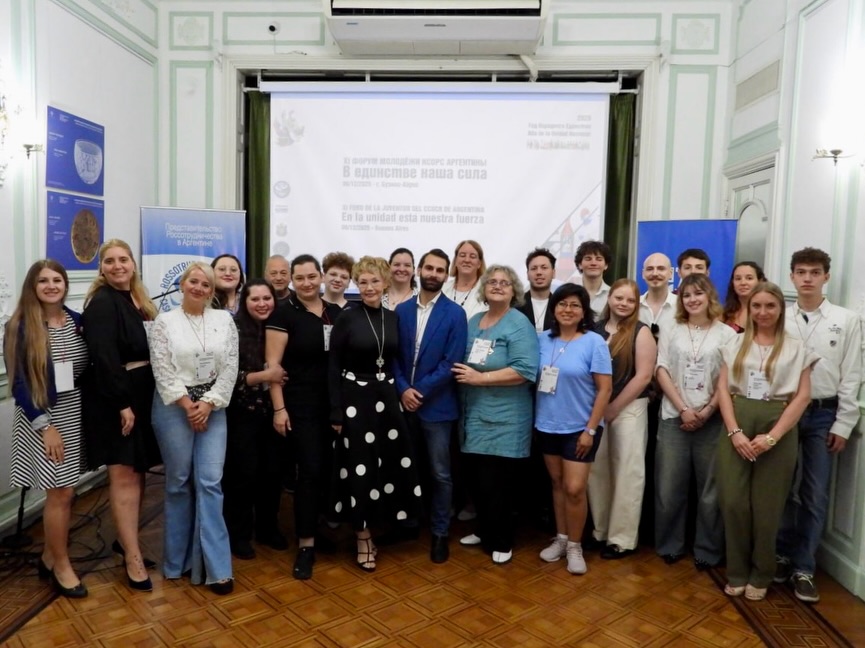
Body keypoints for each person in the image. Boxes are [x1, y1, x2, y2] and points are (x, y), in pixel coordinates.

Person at [716, 281, 817, 602]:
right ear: (749, 309)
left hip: (779, 425)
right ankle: (737, 571)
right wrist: (734, 431)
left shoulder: (795, 347)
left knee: (767, 507)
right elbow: (722, 390)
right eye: (756, 306)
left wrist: (773, 436)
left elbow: (802, 396)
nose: (762, 312)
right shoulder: (733, 343)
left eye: (770, 306)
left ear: (780, 309)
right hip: (738, 420)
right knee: (733, 502)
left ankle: (761, 573)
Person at [775, 248, 862, 603]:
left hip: (823, 414)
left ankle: (804, 567)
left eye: (814, 272)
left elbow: (852, 373)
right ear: (792, 277)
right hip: (782, 413)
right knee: (780, 487)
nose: (807, 278)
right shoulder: (780, 317)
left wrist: (843, 423)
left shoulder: (847, 319)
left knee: (814, 492)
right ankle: (779, 554)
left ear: (826, 276)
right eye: (800, 272)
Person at [328, 256, 422, 572]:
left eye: (374, 281)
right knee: (360, 469)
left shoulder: (393, 318)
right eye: (363, 281)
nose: (368, 287)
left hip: (386, 398)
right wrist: (336, 410)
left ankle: (384, 524)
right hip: (354, 400)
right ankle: (362, 536)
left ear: (385, 283)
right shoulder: (346, 316)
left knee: (387, 466)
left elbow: (395, 359)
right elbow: (333, 365)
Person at [149, 262, 239, 595]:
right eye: (194, 282)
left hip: (213, 407)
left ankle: (216, 568)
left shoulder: (224, 320)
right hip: (174, 407)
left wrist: (209, 404)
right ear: (182, 285)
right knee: (179, 482)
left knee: (211, 482)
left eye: (206, 284)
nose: (199, 288)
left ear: (212, 291)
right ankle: (178, 562)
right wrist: (189, 405)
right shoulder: (164, 322)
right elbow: (163, 370)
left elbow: (230, 366)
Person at [5, 260, 89, 598]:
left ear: (66, 285)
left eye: (58, 279)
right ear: (32, 286)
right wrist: (46, 427)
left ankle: (47, 556)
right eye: (43, 280)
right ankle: (62, 565)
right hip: (42, 418)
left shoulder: (77, 322)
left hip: (73, 412)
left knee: (66, 490)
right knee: (61, 492)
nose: (52, 285)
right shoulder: (20, 326)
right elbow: (19, 383)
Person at [82, 240, 160, 592]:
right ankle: (132, 558)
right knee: (125, 476)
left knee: (137, 472)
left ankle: (127, 541)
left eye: (123, 259)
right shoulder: (101, 304)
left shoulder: (139, 300)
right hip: (120, 400)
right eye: (109, 261)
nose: (117, 266)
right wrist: (121, 404)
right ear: (101, 268)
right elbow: (104, 357)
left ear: (133, 264)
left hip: (143, 395)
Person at [453, 265, 539, 565]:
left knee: (498, 483)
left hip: (506, 418)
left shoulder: (519, 323)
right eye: (492, 282)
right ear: (484, 289)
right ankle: (484, 528)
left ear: (514, 290)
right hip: (473, 415)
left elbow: (526, 370)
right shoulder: (475, 321)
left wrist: (481, 379)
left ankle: (501, 538)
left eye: (505, 283)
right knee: (476, 479)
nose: (498, 286)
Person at [267, 255, 342, 579]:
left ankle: (320, 529)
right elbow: (273, 368)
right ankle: (306, 544)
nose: (308, 283)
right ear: (293, 281)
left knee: (328, 472)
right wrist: (279, 409)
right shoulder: (284, 314)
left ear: (322, 276)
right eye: (301, 278)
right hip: (301, 407)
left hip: (335, 407)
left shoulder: (336, 313)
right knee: (309, 472)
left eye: (313, 276)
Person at [654, 274, 736, 568]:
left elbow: (728, 380)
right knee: (668, 487)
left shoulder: (727, 334)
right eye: (687, 295)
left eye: (698, 294)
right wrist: (684, 409)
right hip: (674, 416)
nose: (692, 300)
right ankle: (670, 545)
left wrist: (707, 411)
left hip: (711, 420)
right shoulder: (670, 327)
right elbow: (660, 368)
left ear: (710, 296)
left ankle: (707, 550)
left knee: (710, 491)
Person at [393, 248, 468, 563]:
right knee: (404, 467)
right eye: (429, 268)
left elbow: (452, 362)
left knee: (440, 474)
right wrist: (402, 389)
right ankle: (407, 523)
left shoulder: (455, 313)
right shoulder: (401, 311)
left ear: (446, 275)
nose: (434, 274)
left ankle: (439, 533)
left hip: (436, 407)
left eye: (440, 270)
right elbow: (392, 355)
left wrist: (416, 391)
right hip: (402, 403)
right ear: (418, 270)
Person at [535, 284, 612, 575]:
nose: (568, 310)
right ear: (554, 308)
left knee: (575, 488)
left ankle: (576, 546)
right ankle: (562, 538)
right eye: (562, 304)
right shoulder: (542, 340)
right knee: (557, 485)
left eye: (575, 305)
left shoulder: (594, 342)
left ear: (584, 312)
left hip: (581, 427)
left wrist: (590, 430)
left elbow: (605, 389)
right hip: (547, 424)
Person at [588, 279, 656, 558]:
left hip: (628, 408)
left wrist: (614, 408)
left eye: (630, 300)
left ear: (636, 303)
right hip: (596, 409)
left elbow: (644, 376)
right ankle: (600, 531)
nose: (623, 304)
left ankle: (622, 539)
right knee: (596, 471)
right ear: (610, 298)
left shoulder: (641, 332)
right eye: (619, 298)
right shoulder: (593, 330)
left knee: (627, 473)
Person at [222, 279, 287, 562]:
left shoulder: (283, 327)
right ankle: (239, 534)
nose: (262, 304)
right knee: (242, 475)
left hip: (275, 412)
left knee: (273, 473)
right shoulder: (232, 331)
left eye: (267, 298)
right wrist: (264, 377)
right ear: (244, 303)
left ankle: (267, 529)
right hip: (241, 414)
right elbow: (226, 377)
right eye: (255, 299)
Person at [443, 240, 488, 321]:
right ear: (456, 261)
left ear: (479, 263)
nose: (467, 260)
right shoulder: (442, 290)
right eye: (462, 255)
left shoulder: (487, 293)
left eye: (472, 256)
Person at [517, 247, 556, 333]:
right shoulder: (514, 306)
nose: (539, 272)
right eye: (534, 268)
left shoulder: (560, 306)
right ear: (527, 274)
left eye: (544, 268)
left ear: (553, 273)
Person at [639, 252, 677, 337]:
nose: (655, 273)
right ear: (643, 274)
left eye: (661, 269)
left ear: (671, 273)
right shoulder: (633, 306)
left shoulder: (682, 305)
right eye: (650, 269)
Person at [722, 261, 766, 333]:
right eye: (738, 279)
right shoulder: (724, 314)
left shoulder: (765, 313)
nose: (743, 283)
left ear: (760, 281)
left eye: (749, 278)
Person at [573, 240, 612, 316]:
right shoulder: (570, 293)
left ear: (606, 265)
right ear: (580, 264)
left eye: (599, 259)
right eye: (588, 259)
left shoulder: (612, 294)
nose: (593, 263)